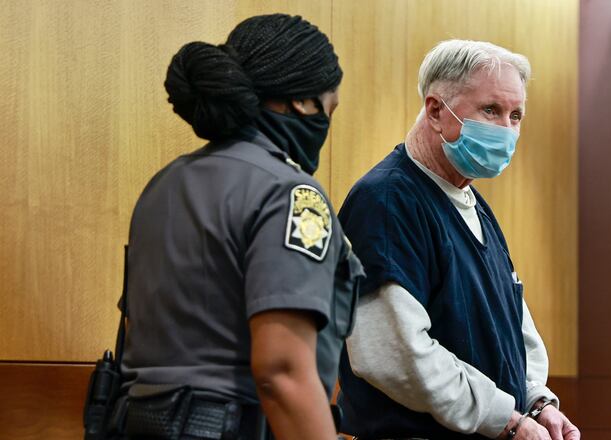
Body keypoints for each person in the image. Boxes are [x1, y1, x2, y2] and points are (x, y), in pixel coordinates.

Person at [117, 14, 362, 440]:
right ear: (303, 103)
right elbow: (282, 373)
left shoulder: (164, 185)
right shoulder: (289, 193)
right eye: (330, 108)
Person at [336, 40, 580, 440]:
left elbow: (511, 322)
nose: (506, 128)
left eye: (515, 115)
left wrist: (537, 401)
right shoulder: (386, 202)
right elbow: (395, 355)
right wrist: (508, 420)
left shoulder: (470, 200)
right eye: (491, 110)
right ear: (435, 110)